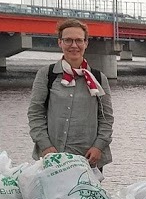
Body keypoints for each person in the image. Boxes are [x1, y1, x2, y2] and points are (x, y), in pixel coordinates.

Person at [28, 18, 113, 168]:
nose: (74, 45)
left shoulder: (99, 79)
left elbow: (106, 117)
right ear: (60, 42)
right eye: (68, 40)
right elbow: (35, 112)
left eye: (79, 40)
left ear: (86, 43)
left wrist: (99, 146)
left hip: (88, 159)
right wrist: (45, 146)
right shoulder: (47, 75)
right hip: (53, 157)